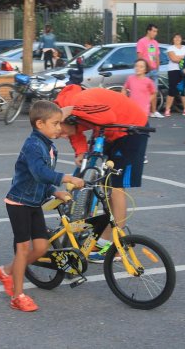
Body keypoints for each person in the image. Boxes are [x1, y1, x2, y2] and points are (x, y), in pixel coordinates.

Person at [0, 101, 84, 312]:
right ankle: (17, 296)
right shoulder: (33, 145)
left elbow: (42, 181)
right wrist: (66, 178)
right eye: (55, 124)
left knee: (42, 248)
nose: (60, 128)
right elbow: (39, 173)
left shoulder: (49, 146)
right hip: (19, 203)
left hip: (34, 202)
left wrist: (55, 191)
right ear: (40, 123)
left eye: (60, 123)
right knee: (23, 250)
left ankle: (6, 271)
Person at [55, 86, 149, 263]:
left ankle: (117, 247)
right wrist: (81, 152)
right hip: (108, 131)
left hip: (131, 128)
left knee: (115, 187)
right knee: (104, 184)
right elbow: (74, 132)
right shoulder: (68, 111)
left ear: (66, 117)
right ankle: (104, 239)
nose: (59, 135)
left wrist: (71, 110)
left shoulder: (77, 104)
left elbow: (108, 117)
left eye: (58, 130)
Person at [122, 59, 155, 163]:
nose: (138, 68)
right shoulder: (130, 79)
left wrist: (147, 102)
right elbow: (124, 88)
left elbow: (154, 93)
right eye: (136, 66)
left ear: (145, 69)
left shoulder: (148, 81)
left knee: (142, 133)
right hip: (132, 109)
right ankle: (130, 152)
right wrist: (124, 98)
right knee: (130, 131)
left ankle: (142, 154)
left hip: (143, 111)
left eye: (141, 66)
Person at [137, 24, 163, 118]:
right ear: (148, 31)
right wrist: (141, 69)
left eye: (156, 31)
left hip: (154, 70)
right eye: (154, 31)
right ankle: (142, 110)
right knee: (143, 92)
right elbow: (139, 56)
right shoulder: (141, 42)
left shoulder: (155, 43)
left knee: (154, 91)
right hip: (145, 71)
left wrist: (157, 67)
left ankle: (154, 111)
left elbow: (156, 56)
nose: (155, 33)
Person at [164, 33, 185, 117]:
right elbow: (174, 59)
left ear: (181, 39)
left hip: (184, 70)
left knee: (183, 90)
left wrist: (178, 56)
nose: (177, 38)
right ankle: (167, 109)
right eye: (175, 37)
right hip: (173, 70)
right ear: (173, 39)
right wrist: (183, 57)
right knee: (172, 89)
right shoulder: (170, 48)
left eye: (179, 37)